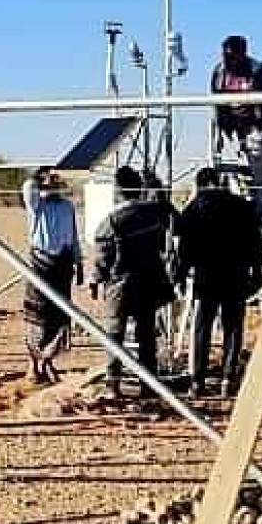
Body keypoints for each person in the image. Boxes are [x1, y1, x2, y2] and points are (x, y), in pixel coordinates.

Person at [176, 167, 262, 398]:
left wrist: (180, 274)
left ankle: (198, 382)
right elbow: (255, 242)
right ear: (218, 181)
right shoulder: (242, 206)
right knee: (233, 327)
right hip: (236, 274)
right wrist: (257, 272)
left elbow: (185, 248)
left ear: (199, 183)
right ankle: (228, 379)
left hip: (207, 275)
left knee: (202, 327)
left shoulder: (193, 208)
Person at [90, 165, 173, 400]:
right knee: (146, 334)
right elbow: (165, 232)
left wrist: (96, 281)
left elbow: (103, 257)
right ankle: (149, 384)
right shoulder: (153, 215)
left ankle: (112, 383)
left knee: (114, 333)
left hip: (121, 285)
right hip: (149, 282)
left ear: (118, 191)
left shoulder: (112, 221)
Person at [211, 35, 262, 225]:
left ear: (243, 54)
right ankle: (248, 211)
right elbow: (216, 103)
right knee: (238, 173)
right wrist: (218, 133)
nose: (228, 61)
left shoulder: (259, 71)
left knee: (259, 172)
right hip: (238, 129)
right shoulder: (220, 73)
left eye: (232, 57)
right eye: (225, 56)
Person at [21, 167, 83, 383]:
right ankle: (32, 363)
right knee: (37, 314)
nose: (53, 186)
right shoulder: (37, 205)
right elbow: (28, 188)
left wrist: (79, 262)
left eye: (56, 182)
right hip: (41, 263)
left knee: (59, 316)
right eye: (50, 182)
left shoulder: (67, 207)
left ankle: (48, 362)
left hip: (63, 265)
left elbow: (74, 236)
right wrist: (39, 176)